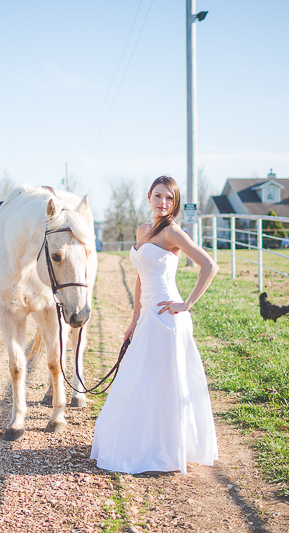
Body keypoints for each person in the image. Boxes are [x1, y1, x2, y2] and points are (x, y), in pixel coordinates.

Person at [91, 175, 219, 475]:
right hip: (148, 315)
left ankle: (164, 449)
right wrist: (134, 318)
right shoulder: (143, 230)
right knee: (139, 379)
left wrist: (186, 303)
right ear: (149, 196)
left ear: (174, 202)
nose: (163, 202)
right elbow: (139, 276)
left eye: (170, 198)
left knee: (162, 383)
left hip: (167, 317)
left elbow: (209, 265)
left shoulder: (173, 233)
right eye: (159, 196)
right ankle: (139, 444)